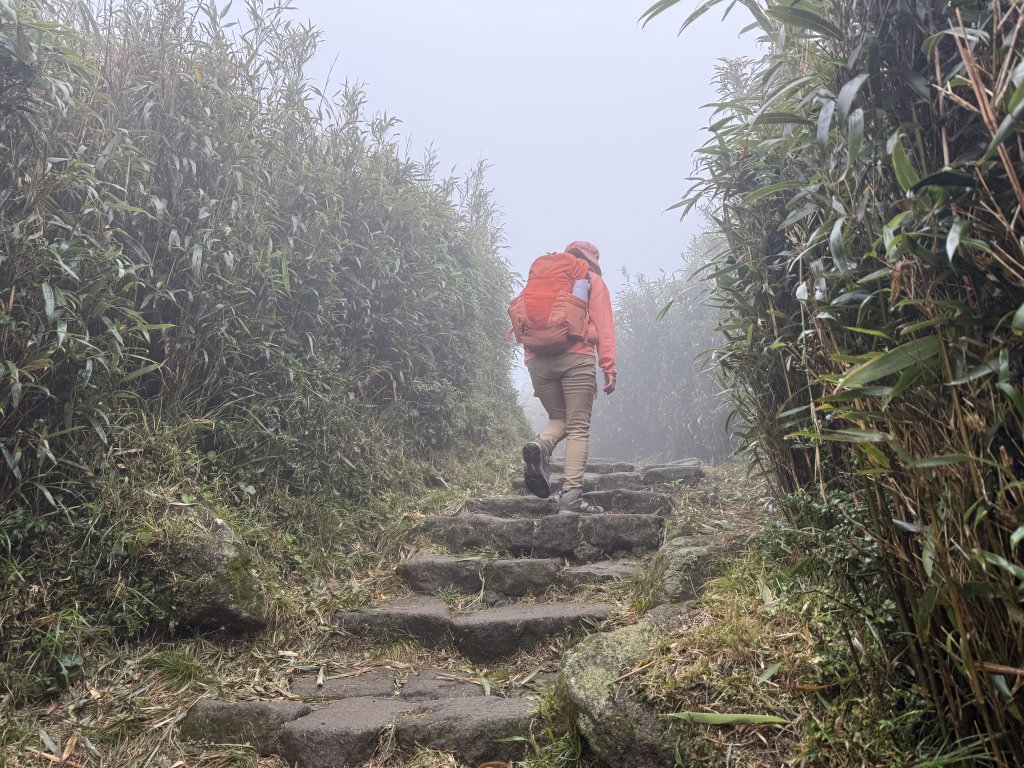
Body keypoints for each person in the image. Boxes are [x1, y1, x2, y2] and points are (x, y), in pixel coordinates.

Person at [521, 241, 616, 513]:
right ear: (592, 260)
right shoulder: (591, 278)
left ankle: (540, 445)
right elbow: (604, 326)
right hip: (576, 358)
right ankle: (572, 497)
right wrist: (609, 366)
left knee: (559, 418)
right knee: (577, 427)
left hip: (537, 359)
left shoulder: (545, 277)